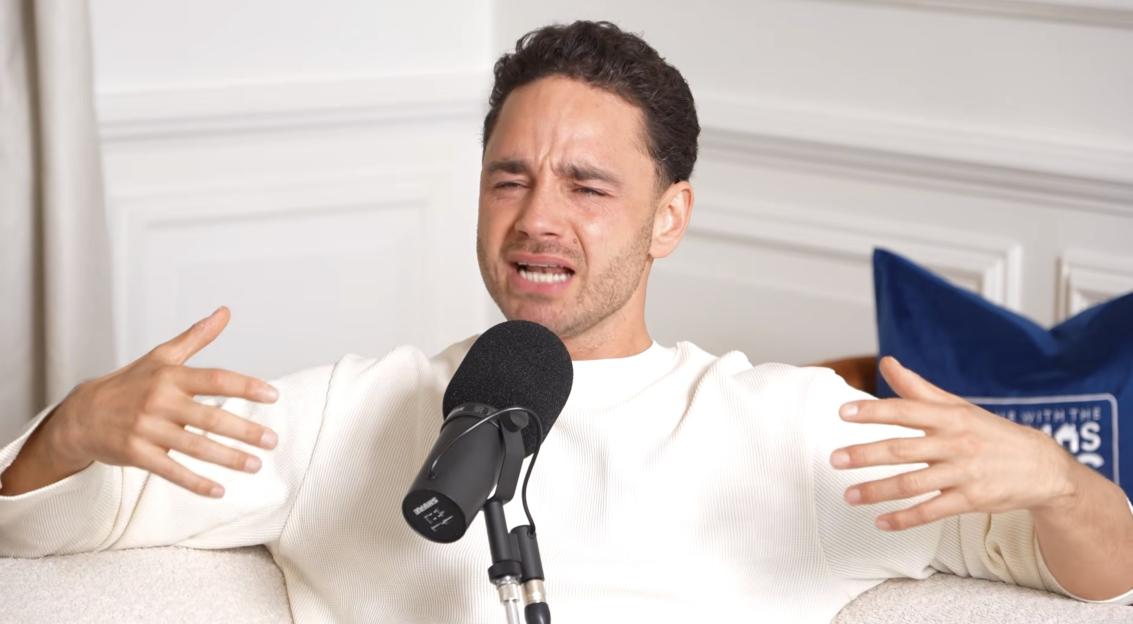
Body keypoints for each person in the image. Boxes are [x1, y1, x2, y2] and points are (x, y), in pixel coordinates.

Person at [1, 20, 1131, 623]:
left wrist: (1053, 481)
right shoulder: (351, 408)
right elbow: (36, 526)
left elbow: (1099, 574)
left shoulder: (791, 428)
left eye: (587, 188)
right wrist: (74, 427)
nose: (537, 220)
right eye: (508, 179)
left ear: (667, 216)